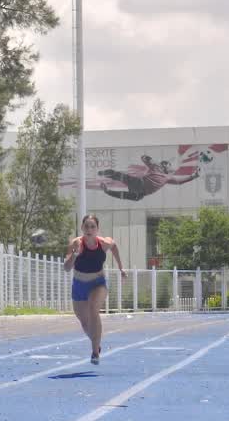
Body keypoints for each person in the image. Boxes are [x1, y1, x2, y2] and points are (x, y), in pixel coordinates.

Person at [63, 214, 125, 364]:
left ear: (97, 229)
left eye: (93, 227)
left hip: (98, 282)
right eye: (87, 226)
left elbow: (114, 246)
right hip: (79, 284)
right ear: (82, 228)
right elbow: (66, 268)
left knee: (93, 310)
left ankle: (95, 352)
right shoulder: (75, 244)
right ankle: (97, 343)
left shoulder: (103, 243)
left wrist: (121, 268)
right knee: (85, 323)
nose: (89, 229)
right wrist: (75, 255)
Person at [99, 155, 200, 202]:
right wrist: (152, 160)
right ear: (164, 166)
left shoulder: (167, 178)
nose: (170, 168)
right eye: (169, 166)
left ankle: (107, 191)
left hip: (141, 193)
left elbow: (179, 182)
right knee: (121, 176)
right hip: (139, 183)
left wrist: (193, 176)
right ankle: (103, 173)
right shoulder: (156, 167)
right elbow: (143, 157)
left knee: (133, 197)